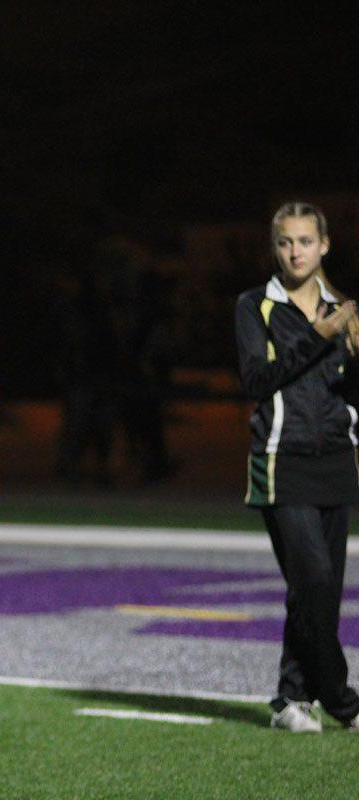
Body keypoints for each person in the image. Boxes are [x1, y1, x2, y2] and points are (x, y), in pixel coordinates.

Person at [235, 200, 359, 734]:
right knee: (311, 580)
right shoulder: (254, 306)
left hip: (336, 459)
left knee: (321, 590)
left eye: (305, 241)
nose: (295, 252)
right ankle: (342, 699)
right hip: (280, 460)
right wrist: (320, 335)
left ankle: (292, 699)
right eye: (286, 242)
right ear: (275, 247)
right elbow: (256, 382)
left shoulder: (346, 309)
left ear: (324, 245)